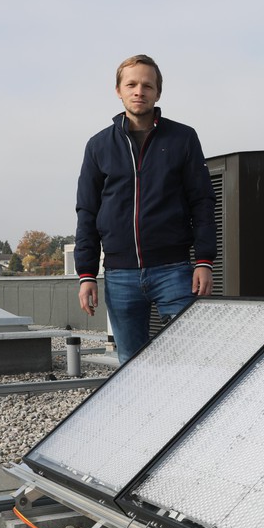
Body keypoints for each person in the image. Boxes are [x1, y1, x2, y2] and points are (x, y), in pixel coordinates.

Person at [75, 55, 216, 364]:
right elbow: (87, 211)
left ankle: (187, 414)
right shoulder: (98, 146)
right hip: (119, 276)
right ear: (118, 90)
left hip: (175, 271)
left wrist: (204, 260)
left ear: (157, 92)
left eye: (147, 85)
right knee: (131, 364)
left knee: (189, 358)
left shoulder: (183, 139)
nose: (139, 91)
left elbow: (202, 201)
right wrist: (86, 274)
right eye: (132, 84)